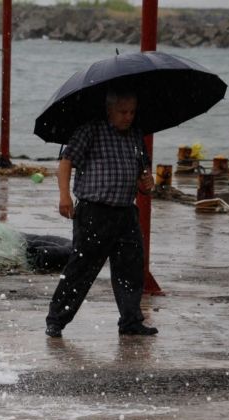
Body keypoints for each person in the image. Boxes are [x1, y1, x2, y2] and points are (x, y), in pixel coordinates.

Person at [44, 88, 157, 338]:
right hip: (94, 211)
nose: (128, 117)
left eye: (132, 112)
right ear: (110, 111)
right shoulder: (91, 130)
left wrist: (147, 183)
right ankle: (56, 320)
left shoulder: (137, 135)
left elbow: (142, 176)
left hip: (126, 212)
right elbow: (66, 162)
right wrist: (64, 196)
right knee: (81, 268)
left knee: (130, 269)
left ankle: (130, 321)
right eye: (123, 112)